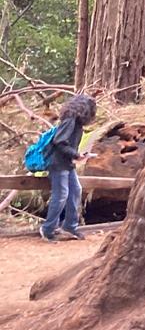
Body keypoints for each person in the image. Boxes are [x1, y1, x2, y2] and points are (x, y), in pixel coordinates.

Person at [39, 94, 97, 241]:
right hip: (58, 164)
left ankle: (70, 226)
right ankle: (48, 229)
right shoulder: (69, 121)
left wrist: (79, 154)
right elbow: (59, 141)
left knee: (76, 190)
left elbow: (68, 144)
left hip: (67, 164)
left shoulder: (76, 123)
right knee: (61, 195)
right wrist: (76, 155)